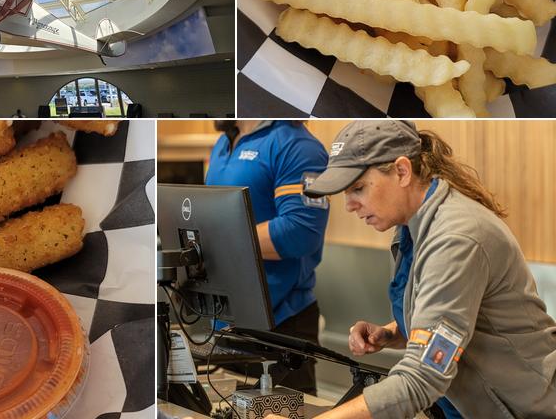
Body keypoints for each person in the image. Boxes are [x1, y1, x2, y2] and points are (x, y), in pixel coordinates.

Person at [275, 119, 556, 419]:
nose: (349, 205)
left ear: (402, 171)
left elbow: (423, 376)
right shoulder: (412, 226)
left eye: (358, 188)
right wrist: (394, 332)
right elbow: (453, 322)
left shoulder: (455, 238)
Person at [205, 120, 330, 394]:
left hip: (281, 323)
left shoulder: (298, 146)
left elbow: (301, 230)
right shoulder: (224, 143)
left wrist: (215, 241)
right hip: (229, 320)